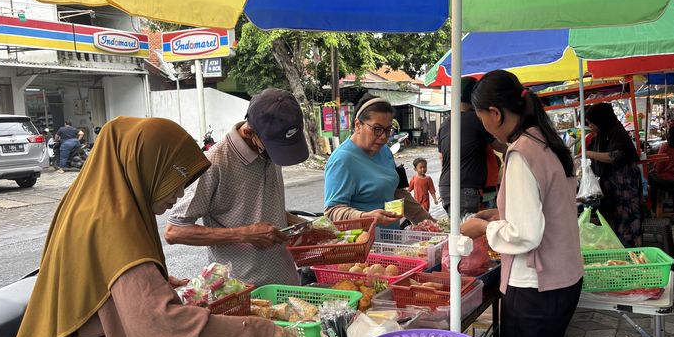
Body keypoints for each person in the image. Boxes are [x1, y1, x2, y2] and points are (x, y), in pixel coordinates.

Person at [14, 117, 296, 337]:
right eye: (175, 178)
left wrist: (147, 281)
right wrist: (258, 332)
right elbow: (162, 328)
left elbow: (91, 280)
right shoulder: (115, 222)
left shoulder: (92, 202)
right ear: (145, 166)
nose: (179, 194)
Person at [460, 70, 583, 337]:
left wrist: (482, 227)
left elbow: (526, 234)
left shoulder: (520, 154)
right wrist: (502, 214)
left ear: (495, 113)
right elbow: (548, 206)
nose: (484, 127)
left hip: (535, 286)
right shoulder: (544, 140)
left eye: (481, 118)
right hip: (564, 278)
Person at [165, 89, 309, 286]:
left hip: (288, 282)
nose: (278, 155)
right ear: (250, 132)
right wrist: (245, 234)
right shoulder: (214, 163)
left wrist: (304, 225)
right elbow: (175, 231)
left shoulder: (270, 149)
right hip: (242, 292)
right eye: (275, 149)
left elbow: (258, 209)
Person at [324, 94, 431, 227]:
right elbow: (332, 213)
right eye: (377, 129)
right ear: (358, 125)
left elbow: (396, 192)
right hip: (363, 245)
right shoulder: (343, 159)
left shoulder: (385, 151)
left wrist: (429, 223)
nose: (383, 137)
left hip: (391, 240)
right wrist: (366, 217)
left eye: (388, 130)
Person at [438, 77, 507, 216]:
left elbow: (441, 157)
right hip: (466, 187)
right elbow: (499, 146)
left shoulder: (446, 123)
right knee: (470, 234)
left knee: (461, 232)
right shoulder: (477, 119)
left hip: (446, 187)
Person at [584, 103, 642, 247]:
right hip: (612, 188)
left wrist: (588, 154)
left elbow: (615, 156)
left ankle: (631, 255)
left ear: (601, 120)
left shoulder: (617, 133)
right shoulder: (604, 134)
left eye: (592, 122)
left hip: (625, 187)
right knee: (614, 222)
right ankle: (618, 253)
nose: (590, 126)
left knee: (626, 222)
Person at [648, 126, 674, 212]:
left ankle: (654, 207)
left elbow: (659, 168)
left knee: (650, 177)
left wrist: (654, 170)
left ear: (669, 135)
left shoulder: (665, 147)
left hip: (669, 180)